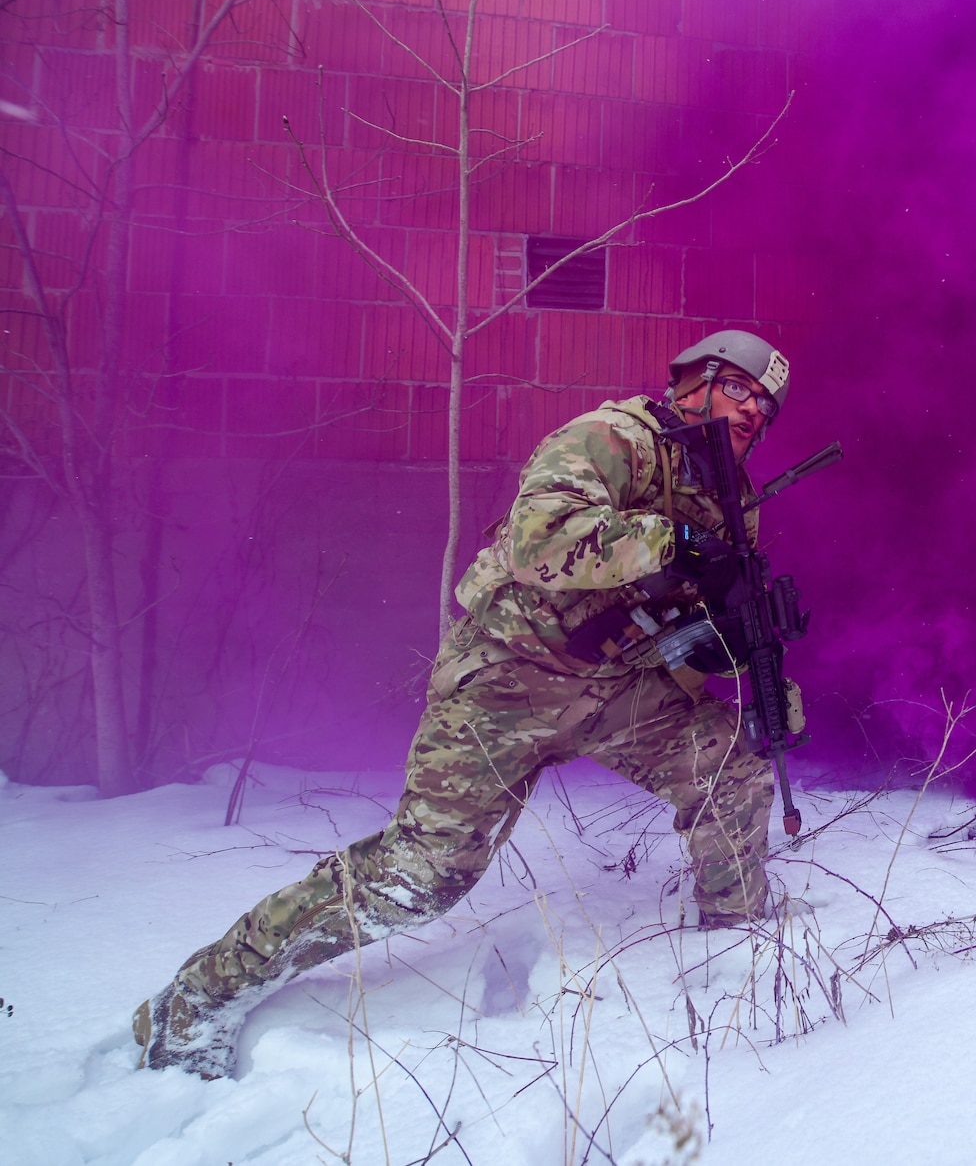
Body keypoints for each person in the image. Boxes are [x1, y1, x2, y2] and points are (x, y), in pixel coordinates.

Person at [135, 330, 798, 1078]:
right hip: (507, 681)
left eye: (766, 406)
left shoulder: (731, 503)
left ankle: (733, 956)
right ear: (693, 381)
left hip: (614, 687)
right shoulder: (617, 438)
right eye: (739, 388)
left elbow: (682, 619)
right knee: (420, 877)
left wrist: (747, 651)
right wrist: (669, 539)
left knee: (730, 766)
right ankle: (195, 1002)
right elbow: (539, 538)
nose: (752, 411)